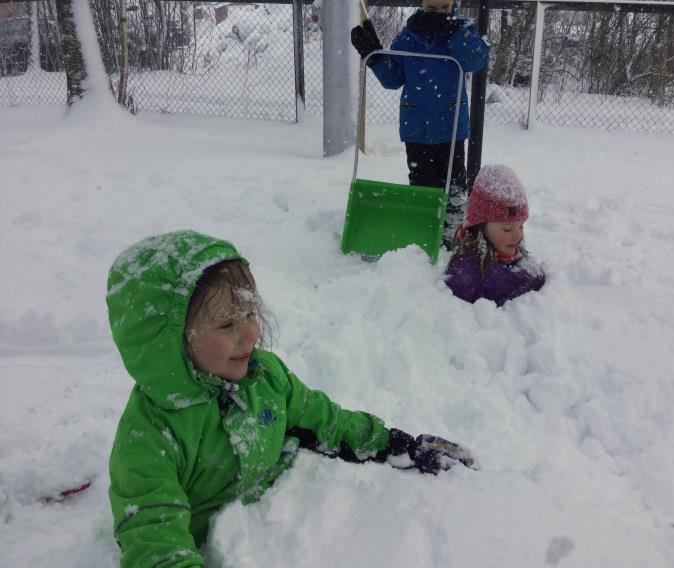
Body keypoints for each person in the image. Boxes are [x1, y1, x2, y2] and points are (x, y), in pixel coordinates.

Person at [107, 230, 474, 567]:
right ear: (169, 342)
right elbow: (152, 537)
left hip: (295, 519)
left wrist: (396, 444)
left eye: (251, 313)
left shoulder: (265, 378)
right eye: (227, 325)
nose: (251, 333)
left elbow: (326, 420)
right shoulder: (150, 436)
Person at [350, 0, 489, 250]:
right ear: (422, 4)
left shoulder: (462, 31)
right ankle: (426, 236)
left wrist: (454, 31)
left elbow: (476, 60)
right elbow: (393, 79)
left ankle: (453, 240)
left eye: (444, 9)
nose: (438, 14)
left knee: (454, 188)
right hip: (416, 129)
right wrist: (374, 55)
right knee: (423, 187)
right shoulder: (408, 36)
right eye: (432, 9)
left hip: (451, 128)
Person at [445, 164, 546, 306]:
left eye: (521, 226)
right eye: (507, 229)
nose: (518, 236)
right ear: (480, 226)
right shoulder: (466, 271)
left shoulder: (507, 251)